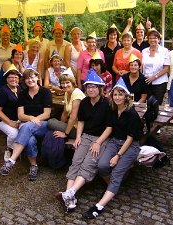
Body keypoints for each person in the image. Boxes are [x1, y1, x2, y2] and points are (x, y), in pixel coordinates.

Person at [82, 78, 141, 219]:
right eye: (115, 94)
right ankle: (113, 188)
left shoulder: (132, 114)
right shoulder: (113, 109)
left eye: (120, 95)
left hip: (130, 146)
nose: (117, 97)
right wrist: (99, 143)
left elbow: (130, 138)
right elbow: (109, 128)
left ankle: (99, 206)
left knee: (116, 174)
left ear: (126, 96)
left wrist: (118, 156)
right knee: (102, 166)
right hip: (114, 142)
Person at [55, 68, 110, 211]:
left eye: (93, 87)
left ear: (100, 88)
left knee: (88, 164)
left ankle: (70, 193)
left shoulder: (107, 104)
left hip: (101, 138)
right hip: (86, 136)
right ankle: (69, 196)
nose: (91, 89)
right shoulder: (85, 102)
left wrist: (98, 142)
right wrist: (78, 137)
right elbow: (81, 121)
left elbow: (110, 127)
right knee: (76, 161)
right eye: (88, 87)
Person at [0, 67, 52, 181]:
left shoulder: (45, 92)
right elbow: (20, 115)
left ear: (37, 77)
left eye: (32, 77)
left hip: (42, 124)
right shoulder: (22, 94)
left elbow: (47, 114)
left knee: (27, 126)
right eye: (27, 78)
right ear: (24, 81)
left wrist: (34, 119)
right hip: (26, 123)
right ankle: (34, 166)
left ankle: (11, 160)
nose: (30, 80)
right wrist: (31, 118)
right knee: (30, 139)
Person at [47, 67, 85, 139]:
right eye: (62, 83)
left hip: (79, 129)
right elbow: (65, 113)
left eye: (67, 82)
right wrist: (61, 126)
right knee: (54, 121)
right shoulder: (67, 93)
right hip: (72, 124)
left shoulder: (77, 94)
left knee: (50, 122)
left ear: (73, 83)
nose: (65, 85)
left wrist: (65, 134)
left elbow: (73, 117)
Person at [0, 64, 22, 162]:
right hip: (3, 120)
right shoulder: (3, 92)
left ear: (19, 79)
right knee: (14, 133)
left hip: (17, 118)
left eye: (16, 77)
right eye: (10, 77)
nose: (13, 79)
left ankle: (17, 149)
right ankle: (8, 149)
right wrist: (10, 122)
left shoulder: (20, 89)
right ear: (6, 79)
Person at [142, 28, 170, 105]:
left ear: (159, 39)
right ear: (147, 40)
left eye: (155, 38)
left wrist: (154, 77)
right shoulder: (144, 51)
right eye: (150, 38)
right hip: (146, 82)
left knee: (156, 104)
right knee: (146, 104)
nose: (152, 40)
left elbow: (167, 68)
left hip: (160, 82)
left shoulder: (165, 51)